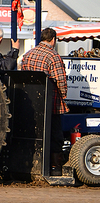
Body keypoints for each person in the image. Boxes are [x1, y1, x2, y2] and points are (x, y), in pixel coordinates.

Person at [21, 27, 69, 175]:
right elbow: (60, 80)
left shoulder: (28, 54)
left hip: (31, 102)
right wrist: (64, 96)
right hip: (50, 102)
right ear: (53, 39)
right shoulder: (53, 56)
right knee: (55, 135)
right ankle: (55, 167)